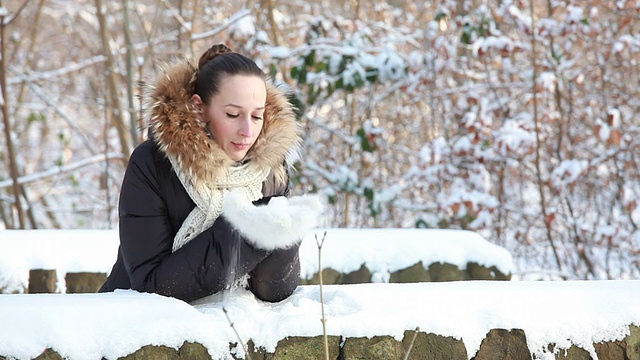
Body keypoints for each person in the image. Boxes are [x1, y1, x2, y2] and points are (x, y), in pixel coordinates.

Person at [99, 44, 322, 303]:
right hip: (134, 329)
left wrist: (284, 233)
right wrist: (247, 229)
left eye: (257, 116)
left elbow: (273, 291)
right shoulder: (152, 164)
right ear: (199, 108)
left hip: (232, 330)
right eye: (233, 114)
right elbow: (151, 287)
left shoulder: (270, 170)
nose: (247, 131)